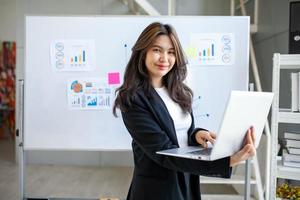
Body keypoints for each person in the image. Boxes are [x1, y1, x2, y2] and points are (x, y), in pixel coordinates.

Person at [113, 22, 256, 200]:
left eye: (171, 52)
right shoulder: (132, 99)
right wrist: (226, 162)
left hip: (187, 179)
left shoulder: (178, 91)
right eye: (157, 50)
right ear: (143, 53)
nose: (164, 58)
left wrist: (196, 134)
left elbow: (180, 133)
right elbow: (164, 152)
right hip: (158, 189)